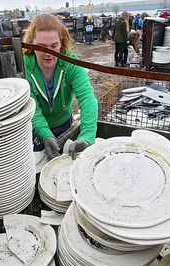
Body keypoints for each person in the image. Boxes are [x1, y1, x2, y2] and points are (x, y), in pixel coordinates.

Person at [22, 14, 98, 160]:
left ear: (61, 42)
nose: (48, 53)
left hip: (65, 124)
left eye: (53, 46)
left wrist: (87, 136)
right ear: (31, 42)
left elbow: (87, 98)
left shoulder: (71, 64)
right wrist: (44, 134)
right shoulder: (24, 68)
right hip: (36, 127)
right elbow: (32, 107)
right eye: (41, 47)